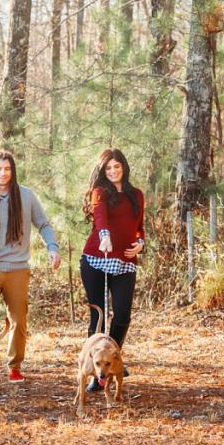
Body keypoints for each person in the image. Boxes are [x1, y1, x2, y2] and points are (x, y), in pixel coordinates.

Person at [0, 150, 61, 393]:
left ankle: (15, 366)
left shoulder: (26, 197)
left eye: (7, 169)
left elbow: (43, 224)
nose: (2, 173)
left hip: (18, 268)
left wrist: (52, 247)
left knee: (19, 320)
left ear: (13, 170)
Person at [80, 148, 145, 392]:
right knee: (98, 315)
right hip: (97, 259)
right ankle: (95, 370)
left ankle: (112, 360)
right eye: (108, 168)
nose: (113, 171)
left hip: (125, 261)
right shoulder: (101, 193)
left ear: (124, 167)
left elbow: (140, 227)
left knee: (122, 314)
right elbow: (100, 217)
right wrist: (104, 236)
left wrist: (140, 243)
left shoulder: (136, 195)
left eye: (117, 167)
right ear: (103, 171)